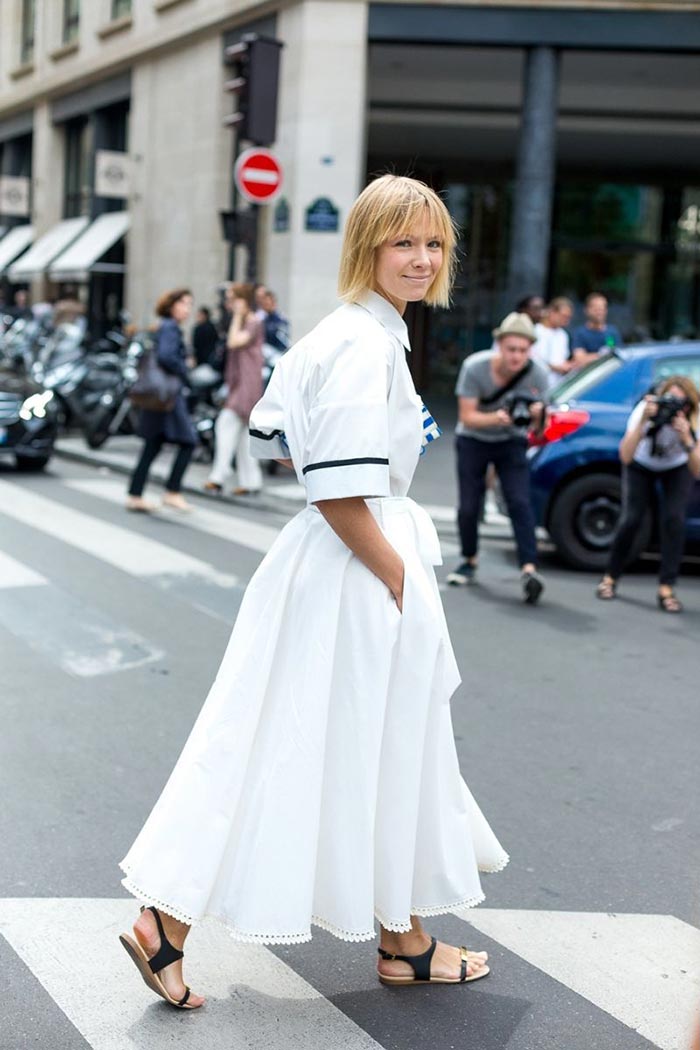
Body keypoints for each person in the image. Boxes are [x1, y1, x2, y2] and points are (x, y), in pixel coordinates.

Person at [118, 174, 508, 1010]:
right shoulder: (363, 345)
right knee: (344, 745)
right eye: (402, 241)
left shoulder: (350, 336)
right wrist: (400, 581)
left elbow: (282, 442)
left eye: (433, 242)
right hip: (358, 567)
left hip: (335, 565)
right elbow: (333, 488)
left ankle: (392, 940)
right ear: (366, 246)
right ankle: (187, 923)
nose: (421, 257)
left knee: (322, 743)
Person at [447, 312, 549, 603]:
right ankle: (469, 559)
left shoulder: (538, 374)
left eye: (523, 350)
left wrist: (538, 417)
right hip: (474, 439)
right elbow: (467, 417)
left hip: (511, 442)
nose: (517, 356)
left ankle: (529, 568)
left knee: (519, 501)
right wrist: (498, 418)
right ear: (499, 345)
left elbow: (539, 432)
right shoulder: (475, 367)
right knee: (469, 506)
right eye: (511, 349)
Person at [596, 375, 700, 612]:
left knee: (674, 520)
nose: (673, 408)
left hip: (677, 464)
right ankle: (610, 578)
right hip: (641, 463)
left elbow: (697, 470)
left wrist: (687, 437)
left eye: (680, 404)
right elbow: (625, 456)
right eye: (669, 401)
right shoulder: (646, 409)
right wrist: (644, 421)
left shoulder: (696, 417)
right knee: (631, 518)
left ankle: (667, 587)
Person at [126, 288, 197, 513]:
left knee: (152, 445)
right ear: (172, 305)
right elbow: (167, 357)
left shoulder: (164, 326)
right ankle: (172, 491)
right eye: (184, 303)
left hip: (160, 395)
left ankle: (135, 495)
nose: (188, 309)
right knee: (188, 441)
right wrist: (185, 367)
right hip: (168, 396)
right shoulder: (170, 327)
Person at [203, 283, 264, 497]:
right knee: (244, 436)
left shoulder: (253, 321)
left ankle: (219, 475)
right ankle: (251, 481)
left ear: (243, 300)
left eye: (233, 298)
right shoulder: (248, 321)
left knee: (225, 424)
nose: (229, 303)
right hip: (240, 384)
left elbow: (233, 342)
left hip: (247, 385)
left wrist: (238, 316)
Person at [571, 292, 623, 368]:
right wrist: (602, 355)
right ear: (587, 310)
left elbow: (619, 357)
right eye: (596, 309)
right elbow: (579, 360)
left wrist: (591, 357)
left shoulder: (611, 332)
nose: (600, 312)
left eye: (602, 308)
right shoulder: (580, 333)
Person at [531, 296, 574, 388]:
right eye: (563, 316)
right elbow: (533, 360)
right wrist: (555, 367)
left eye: (568, 317)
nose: (566, 320)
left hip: (557, 387)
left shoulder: (563, 335)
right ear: (551, 312)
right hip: (537, 385)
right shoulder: (535, 331)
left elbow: (563, 359)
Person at [258, 287, 290, 352]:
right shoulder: (261, 319)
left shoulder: (281, 319)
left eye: (269, 303)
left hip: (278, 352)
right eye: (265, 304)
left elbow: (284, 339)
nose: (267, 306)